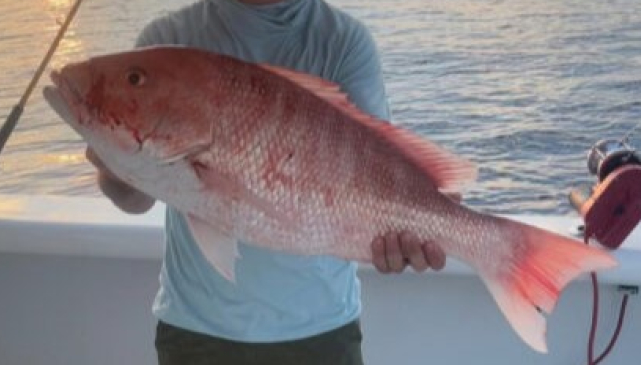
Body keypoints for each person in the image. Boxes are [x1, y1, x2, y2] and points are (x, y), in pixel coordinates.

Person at [86, 0, 447, 363]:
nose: (134, 80)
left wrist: (403, 239)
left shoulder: (343, 41)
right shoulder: (166, 42)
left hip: (322, 332)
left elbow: (383, 168)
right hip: (195, 332)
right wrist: (116, 166)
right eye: (134, 80)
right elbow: (135, 202)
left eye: (135, 80)